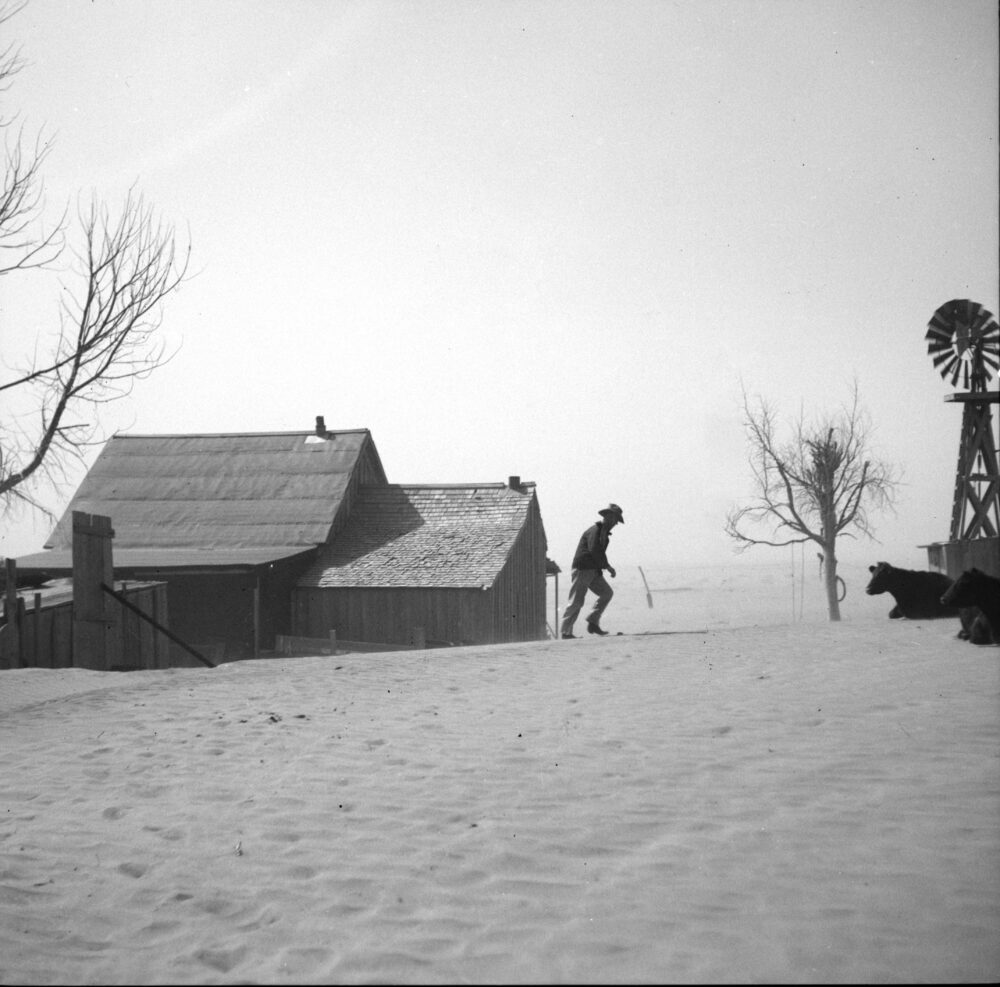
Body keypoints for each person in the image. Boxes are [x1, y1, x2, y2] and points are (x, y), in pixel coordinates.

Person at [560, 503, 624, 639]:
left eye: (617, 520)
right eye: (615, 519)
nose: (616, 523)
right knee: (576, 601)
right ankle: (566, 632)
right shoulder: (595, 531)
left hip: (593, 571)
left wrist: (602, 567)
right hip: (583, 569)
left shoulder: (604, 534)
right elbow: (594, 550)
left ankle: (593, 621)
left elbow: (597, 553)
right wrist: (607, 566)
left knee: (607, 593)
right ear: (608, 517)